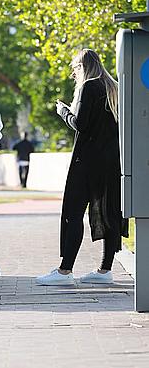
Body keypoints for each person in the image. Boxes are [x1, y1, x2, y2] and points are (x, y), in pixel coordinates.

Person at [36, 48, 128, 286]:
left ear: (82, 67)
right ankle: (105, 269)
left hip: (87, 161)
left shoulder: (89, 87)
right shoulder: (113, 88)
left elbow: (81, 125)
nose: (74, 74)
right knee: (109, 212)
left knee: (73, 213)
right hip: (110, 162)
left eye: (75, 69)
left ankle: (65, 271)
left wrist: (64, 111)